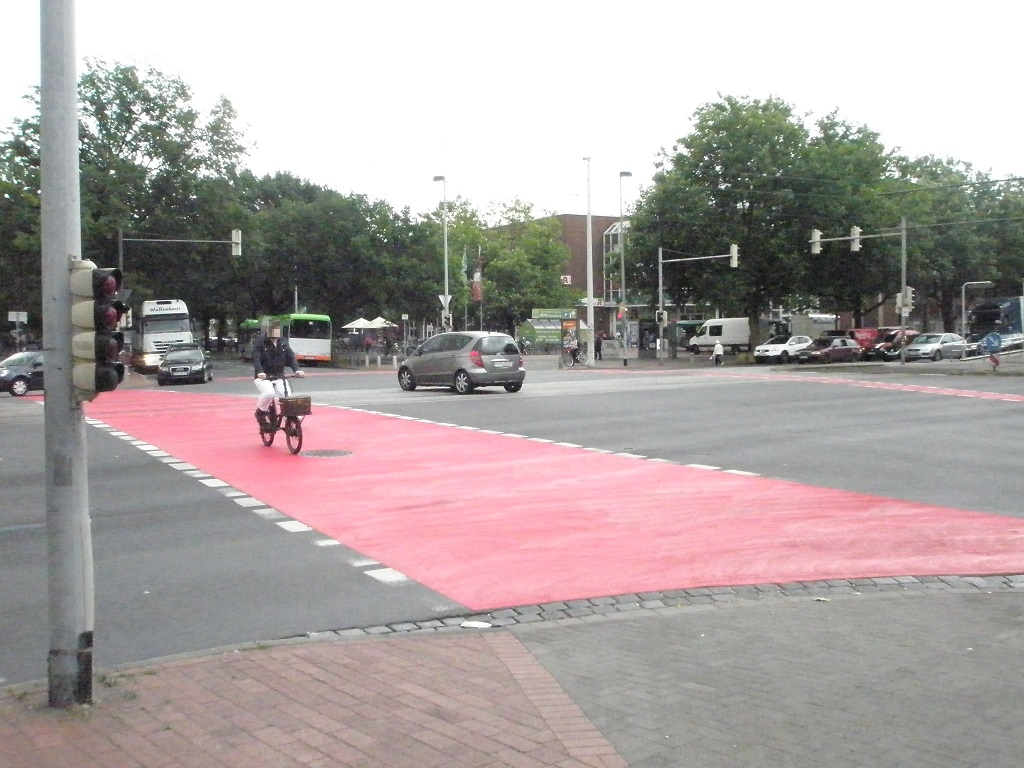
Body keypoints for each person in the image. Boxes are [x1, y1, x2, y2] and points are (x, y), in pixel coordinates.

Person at [253, 325, 304, 430]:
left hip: (279, 376)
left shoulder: (283, 342)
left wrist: (297, 370)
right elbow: (256, 358)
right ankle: (260, 413)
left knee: (287, 397)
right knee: (269, 393)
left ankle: (290, 420)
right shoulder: (261, 343)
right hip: (264, 377)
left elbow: (291, 357)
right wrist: (260, 372)